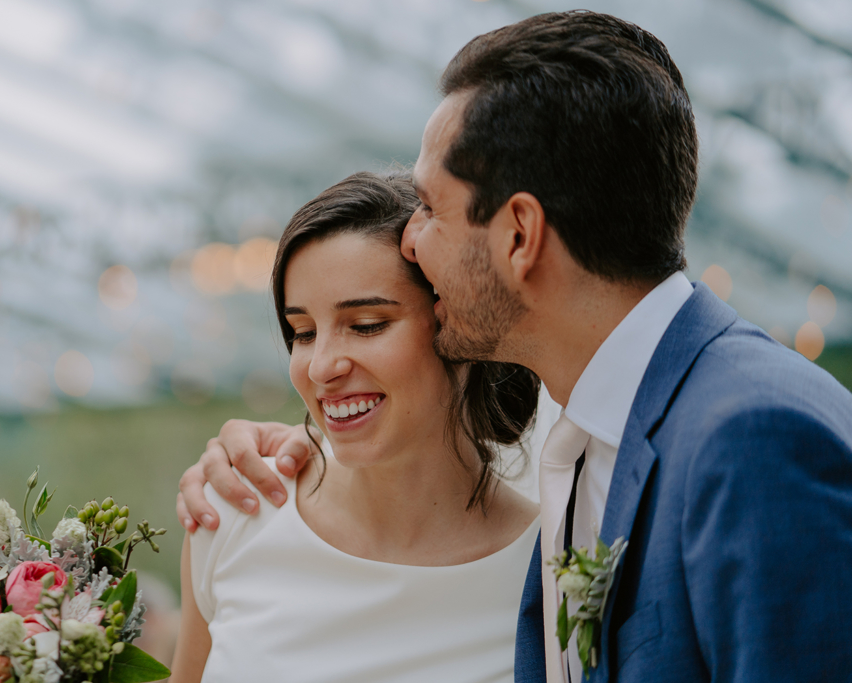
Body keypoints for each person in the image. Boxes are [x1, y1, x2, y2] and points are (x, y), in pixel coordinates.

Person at [177, 11, 852, 683]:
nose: (411, 240)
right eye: (302, 331)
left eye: (432, 209)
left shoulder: (752, 436)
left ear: (520, 234)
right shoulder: (587, 443)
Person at [170, 171, 544, 682]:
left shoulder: (549, 571)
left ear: (459, 328)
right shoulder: (233, 514)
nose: (321, 366)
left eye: (366, 325)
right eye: (302, 332)